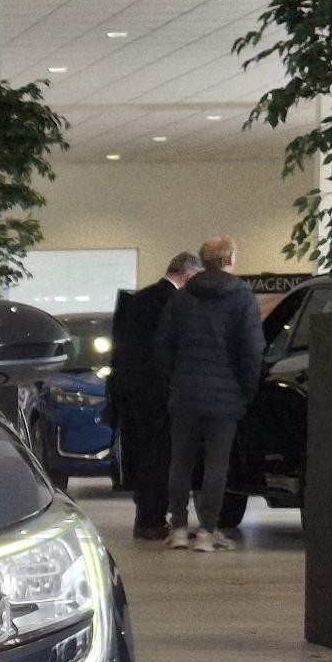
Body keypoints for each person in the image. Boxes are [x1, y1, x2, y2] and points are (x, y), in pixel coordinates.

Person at [155, 237, 263, 552]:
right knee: (217, 464)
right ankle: (207, 532)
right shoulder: (242, 297)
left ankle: (178, 528)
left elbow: (162, 344)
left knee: (181, 461)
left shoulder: (183, 297)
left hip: (184, 392)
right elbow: (252, 350)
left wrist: (174, 379)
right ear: (229, 260)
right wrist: (246, 389)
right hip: (225, 396)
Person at [110, 251, 201, 539]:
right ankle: (152, 520)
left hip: (133, 392)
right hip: (161, 394)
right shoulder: (175, 303)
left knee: (144, 454)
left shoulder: (137, 299)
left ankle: (146, 516)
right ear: (189, 277)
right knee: (161, 457)